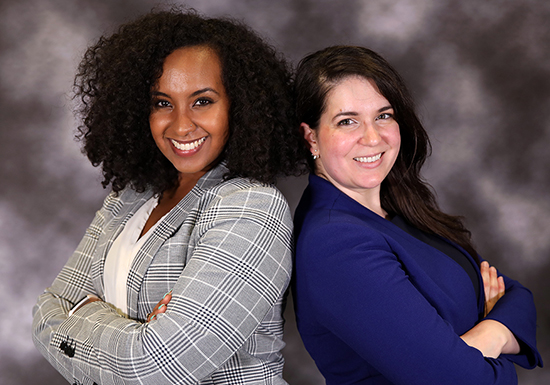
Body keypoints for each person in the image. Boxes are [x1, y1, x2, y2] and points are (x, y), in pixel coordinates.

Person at [32, 8, 304, 385]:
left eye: (202, 101)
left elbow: (159, 366)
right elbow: (47, 312)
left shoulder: (251, 207)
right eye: (163, 103)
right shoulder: (130, 197)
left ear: (239, 107)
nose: (180, 124)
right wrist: (137, 334)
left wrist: (86, 313)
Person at [292, 45, 543, 385]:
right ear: (312, 137)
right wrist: (492, 345)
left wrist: (486, 337)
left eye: (384, 115)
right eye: (347, 121)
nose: (372, 137)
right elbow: (459, 380)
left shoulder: (398, 207)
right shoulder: (336, 242)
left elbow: (517, 296)